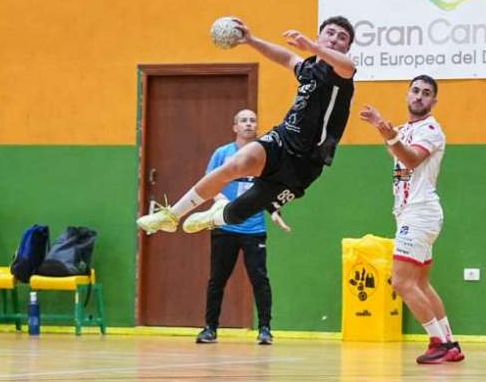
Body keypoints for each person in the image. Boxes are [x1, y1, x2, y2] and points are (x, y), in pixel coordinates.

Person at [137, 16, 356, 241]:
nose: (334, 39)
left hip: (305, 163)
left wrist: (312, 46)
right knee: (234, 164)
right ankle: (172, 215)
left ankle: (215, 217)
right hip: (282, 139)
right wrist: (251, 40)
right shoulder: (309, 68)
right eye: (330, 33)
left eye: (342, 38)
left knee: (237, 213)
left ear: (347, 48)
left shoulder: (342, 75)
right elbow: (286, 57)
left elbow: (348, 66)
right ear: (319, 35)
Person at [359, 75, 464, 364]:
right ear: (407, 95)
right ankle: (451, 343)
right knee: (420, 283)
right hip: (408, 211)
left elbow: (412, 159)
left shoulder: (430, 130)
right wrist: (387, 129)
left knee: (401, 283)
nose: (419, 96)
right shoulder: (405, 129)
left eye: (426, 93)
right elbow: (398, 153)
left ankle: (437, 343)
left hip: (420, 212)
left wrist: (386, 133)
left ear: (434, 101)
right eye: (415, 91)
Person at [195, 109, 291, 346]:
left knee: (260, 279)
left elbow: (270, 189)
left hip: (254, 229)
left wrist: (275, 211)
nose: (248, 124)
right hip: (225, 227)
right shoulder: (222, 154)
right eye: (243, 121)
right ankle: (210, 328)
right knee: (218, 278)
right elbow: (209, 184)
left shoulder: (263, 154)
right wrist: (223, 204)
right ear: (235, 127)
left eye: (252, 120)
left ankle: (265, 329)